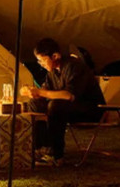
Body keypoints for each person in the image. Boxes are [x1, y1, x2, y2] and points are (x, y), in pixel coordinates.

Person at [22, 37, 105, 165]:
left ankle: (56, 155)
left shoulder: (73, 66)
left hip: (91, 110)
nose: (41, 64)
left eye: (43, 60)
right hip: (70, 109)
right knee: (35, 103)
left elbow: (68, 95)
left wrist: (41, 92)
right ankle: (42, 147)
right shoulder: (53, 72)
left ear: (55, 56)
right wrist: (31, 92)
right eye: (39, 61)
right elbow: (45, 92)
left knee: (56, 105)